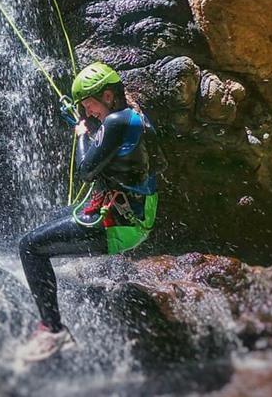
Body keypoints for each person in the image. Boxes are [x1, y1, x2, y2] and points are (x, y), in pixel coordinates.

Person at [18, 62, 163, 362]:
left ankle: (53, 330)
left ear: (108, 96)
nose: (88, 112)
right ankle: (50, 294)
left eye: (89, 105)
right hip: (125, 214)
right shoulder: (133, 116)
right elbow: (116, 150)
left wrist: (81, 133)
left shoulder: (117, 123)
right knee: (48, 224)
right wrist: (85, 123)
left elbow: (86, 170)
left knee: (29, 247)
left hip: (120, 225)